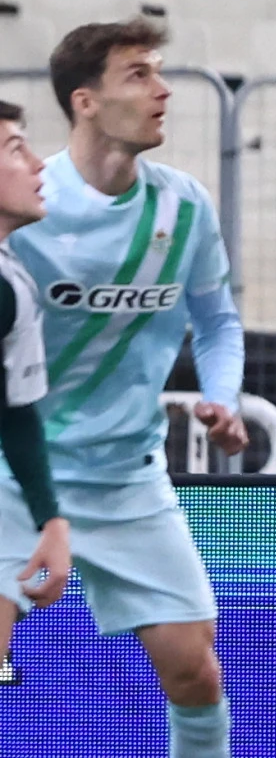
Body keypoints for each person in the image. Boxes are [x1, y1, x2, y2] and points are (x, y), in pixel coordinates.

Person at [1, 20, 246, 757]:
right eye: (139, 74)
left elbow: (218, 322)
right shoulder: (28, 206)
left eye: (160, 71)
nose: (163, 90)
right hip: (17, 475)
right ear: (85, 100)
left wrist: (223, 397)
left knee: (195, 669)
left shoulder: (185, 207)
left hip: (127, 478)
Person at [0, 100, 72, 675]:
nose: (38, 164)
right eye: (14, 149)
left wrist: (51, 519)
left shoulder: (14, 285)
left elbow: (16, 415)